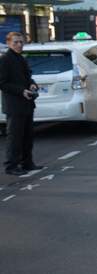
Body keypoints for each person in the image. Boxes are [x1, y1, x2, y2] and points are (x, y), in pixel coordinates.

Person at [0, 32, 42, 175]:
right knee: (15, 137)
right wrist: (21, 91)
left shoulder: (20, 59)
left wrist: (32, 85)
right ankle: (11, 165)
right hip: (14, 105)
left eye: (21, 42)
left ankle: (27, 162)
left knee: (28, 135)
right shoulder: (5, 59)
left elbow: (28, 77)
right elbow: (3, 83)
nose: (19, 45)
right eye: (16, 43)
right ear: (9, 44)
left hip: (26, 104)